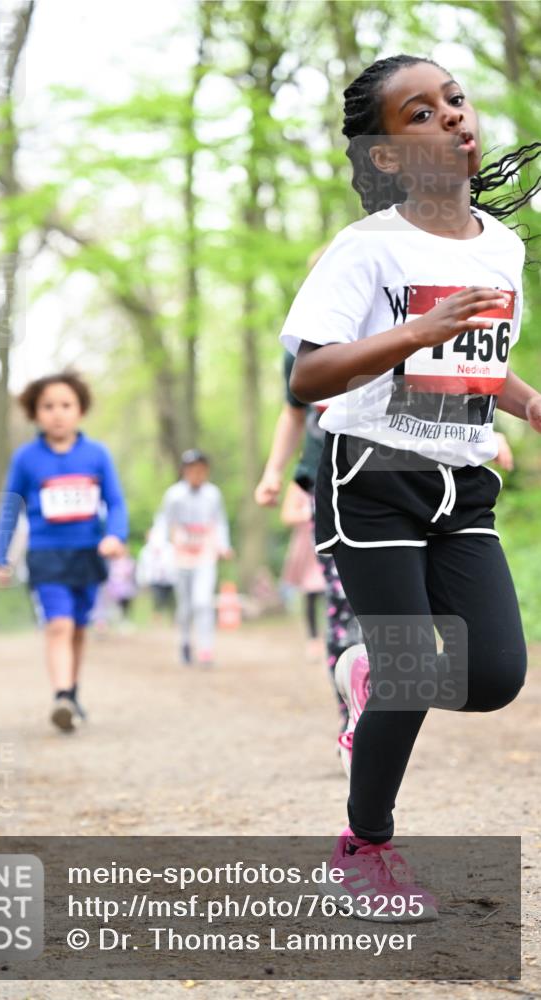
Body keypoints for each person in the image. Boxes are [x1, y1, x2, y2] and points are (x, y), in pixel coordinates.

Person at [281, 54, 540, 920]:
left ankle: (359, 671)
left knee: (496, 674)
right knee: (405, 670)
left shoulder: (501, 247)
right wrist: (415, 327)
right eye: (420, 113)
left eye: (454, 101)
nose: (452, 117)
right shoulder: (366, 249)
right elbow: (309, 377)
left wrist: (524, 400)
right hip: (373, 479)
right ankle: (363, 849)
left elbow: (474, 357)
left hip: (459, 483)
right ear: (385, 156)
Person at [0, 372, 128, 732]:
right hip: (46, 554)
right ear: (35, 413)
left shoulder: (97, 455)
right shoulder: (26, 459)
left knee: (79, 629)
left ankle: (71, 692)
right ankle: (60, 696)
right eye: (48, 406)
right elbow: (10, 508)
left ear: (80, 410)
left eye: (66, 405)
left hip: (87, 553)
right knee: (59, 624)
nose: (57, 413)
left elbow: (115, 503)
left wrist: (115, 535)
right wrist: (0, 555)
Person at [256, 350, 358, 731]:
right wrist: (273, 472)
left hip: (395, 477)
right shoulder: (300, 350)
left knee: (391, 607)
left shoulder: (395, 323)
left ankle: (387, 716)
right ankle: (350, 718)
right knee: (342, 599)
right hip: (326, 482)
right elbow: (293, 413)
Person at [153, 449, 232, 666]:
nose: (196, 474)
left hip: (205, 554)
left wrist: (223, 545)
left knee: (203, 601)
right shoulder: (174, 495)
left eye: (200, 470)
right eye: (191, 470)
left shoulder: (213, 494)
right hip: (181, 555)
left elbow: (220, 522)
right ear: (184, 471)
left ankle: (206, 648)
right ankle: (185, 641)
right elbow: (163, 521)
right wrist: (159, 545)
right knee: (186, 604)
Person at [279, 479, 326, 661]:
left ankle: (332, 635)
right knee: (311, 592)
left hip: (328, 541)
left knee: (332, 592)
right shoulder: (299, 483)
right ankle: (314, 639)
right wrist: (309, 513)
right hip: (307, 546)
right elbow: (287, 515)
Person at [136, 529, 177, 620]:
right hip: (154, 579)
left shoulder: (169, 548)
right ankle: (157, 619)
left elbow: (173, 564)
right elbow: (142, 567)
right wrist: (142, 581)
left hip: (170, 579)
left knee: (172, 602)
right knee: (157, 600)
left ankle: (173, 619)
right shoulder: (145, 551)